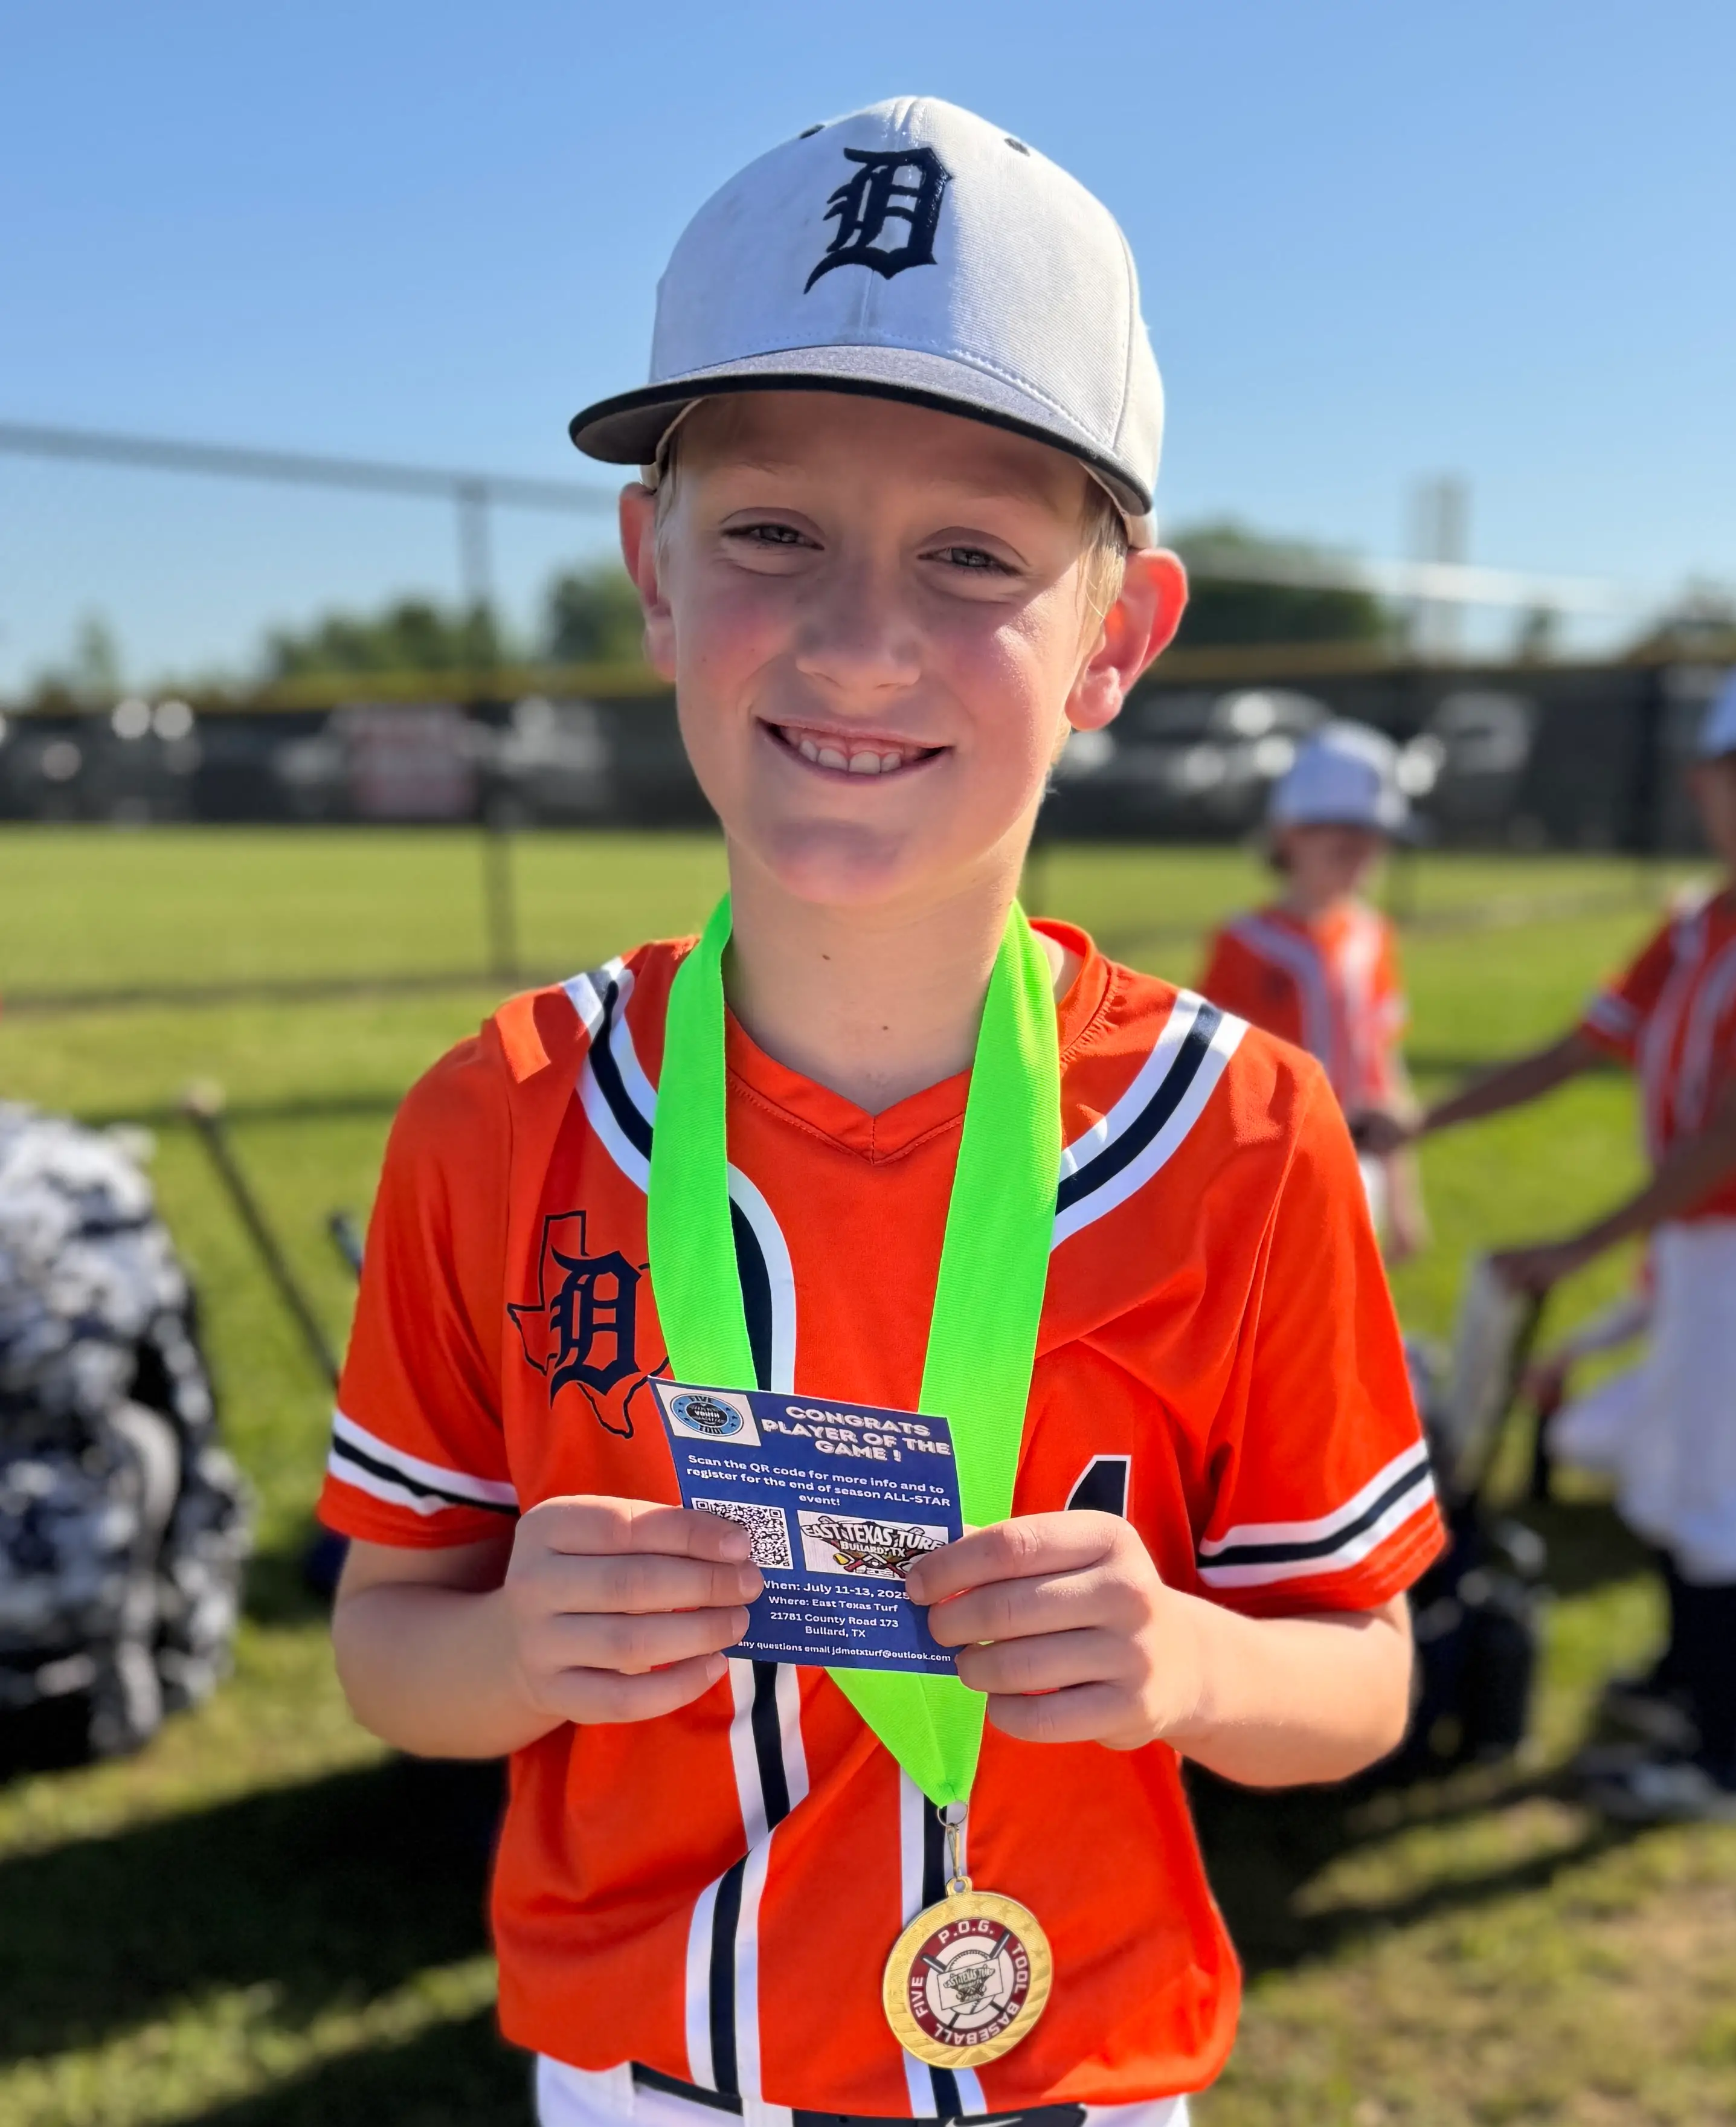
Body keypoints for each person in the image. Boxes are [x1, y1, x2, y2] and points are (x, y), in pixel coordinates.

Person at [321, 100, 1442, 2127]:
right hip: (645, 2076)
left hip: (1068, 2071)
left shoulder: (1244, 1133)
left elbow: (1360, 1679)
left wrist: (1188, 1664)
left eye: (974, 557)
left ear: (1117, 635)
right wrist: (520, 1649)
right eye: (770, 531)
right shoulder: (497, 1119)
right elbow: (387, 1640)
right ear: (653, 573)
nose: (857, 641)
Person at [1363, 671, 1736, 1821]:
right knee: (1667, 1473)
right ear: (1700, 783)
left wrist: (1580, 1244)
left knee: (1709, 1490)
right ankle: (1687, 1685)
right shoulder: (1695, 928)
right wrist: (1422, 1120)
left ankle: (1717, 1757)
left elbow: (1723, 1139)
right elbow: (1577, 1050)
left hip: (1719, 1251)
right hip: (1694, 1256)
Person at [1197, 723, 1427, 1257]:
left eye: (1372, 845)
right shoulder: (1244, 943)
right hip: (1270, 1172)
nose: (1361, 858)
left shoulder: (1372, 936)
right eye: (1343, 845)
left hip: (1358, 1164)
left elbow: (1383, 1066)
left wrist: (1403, 1195)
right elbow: (1212, 1076)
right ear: (1288, 837)